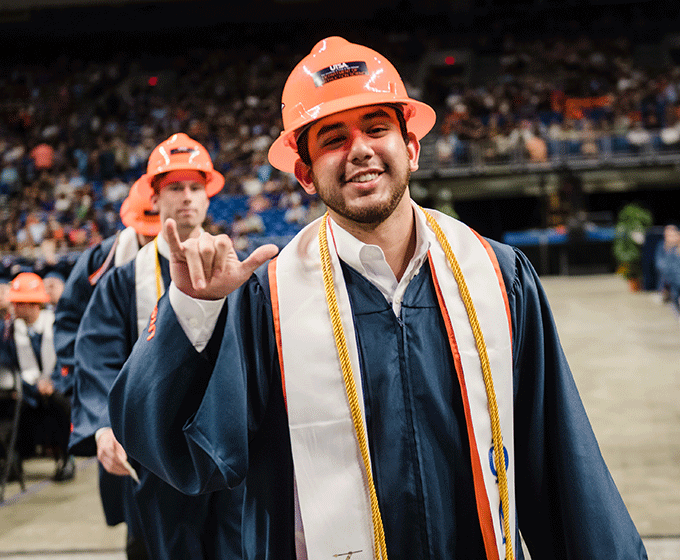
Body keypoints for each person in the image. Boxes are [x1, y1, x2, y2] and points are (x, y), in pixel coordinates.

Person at [110, 37, 647, 560]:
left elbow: (560, 469)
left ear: (410, 147)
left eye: (376, 127)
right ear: (305, 173)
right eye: (332, 138)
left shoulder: (498, 277)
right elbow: (180, 454)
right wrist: (191, 310)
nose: (360, 149)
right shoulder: (265, 303)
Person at [72, 133, 242, 560]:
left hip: (228, 444)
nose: (186, 198)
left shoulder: (238, 271)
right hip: (153, 451)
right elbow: (98, 355)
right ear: (155, 195)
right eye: (174, 188)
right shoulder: (123, 281)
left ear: (208, 196)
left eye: (195, 187)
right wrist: (103, 424)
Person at [54, 179, 160, 559]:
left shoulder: (194, 252)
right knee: (135, 512)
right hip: (117, 401)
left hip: (170, 404)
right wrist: (83, 391)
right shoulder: (99, 262)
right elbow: (70, 326)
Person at [0, 272, 75, 482]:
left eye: (19, 304)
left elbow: (67, 360)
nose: (13, 308)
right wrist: (27, 386)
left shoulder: (57, 326)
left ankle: (66, 458)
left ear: (34, 305)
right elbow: (7, 364)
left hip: (55, 386)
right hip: (25, 390)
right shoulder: (8, 331)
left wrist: (53, 382)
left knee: (63, 405)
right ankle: (13, 460)